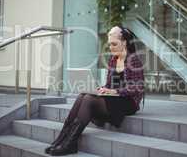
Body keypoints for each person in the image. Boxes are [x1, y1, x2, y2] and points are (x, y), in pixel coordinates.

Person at [45, 26, 144, 156]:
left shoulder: (133, 60)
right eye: (109, 44)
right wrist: (102, 89)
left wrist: (113, 92)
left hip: (128, 102)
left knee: (88, 100)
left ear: (124, 42)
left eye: (114, 44)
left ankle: (70, 143)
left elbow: (136, 89)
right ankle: (62, 139)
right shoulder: (113, 60)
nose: (111, 47)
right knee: (83, 95)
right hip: (113, 98)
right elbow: (109, 84)